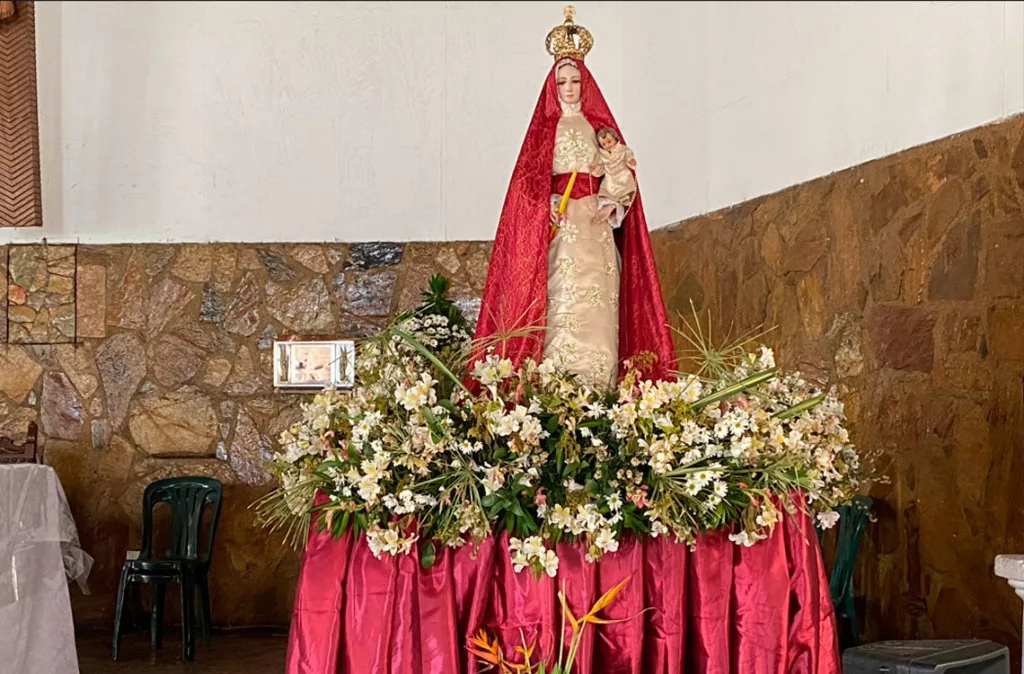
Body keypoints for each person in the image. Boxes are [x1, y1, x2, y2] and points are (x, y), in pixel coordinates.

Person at [470, 6, 676, 390]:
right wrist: (544, 203)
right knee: (561, 297)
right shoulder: (544, 130)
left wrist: (611, 199)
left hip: (594, 226)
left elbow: (617, 168)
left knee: (599, 300)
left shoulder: (599, 128)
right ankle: (556, 385)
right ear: (553, 85)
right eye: (562, 81)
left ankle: (600, 385)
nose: (568, 88)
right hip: (562, 226)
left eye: (575, 81)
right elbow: (527, 183)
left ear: (586, 84)